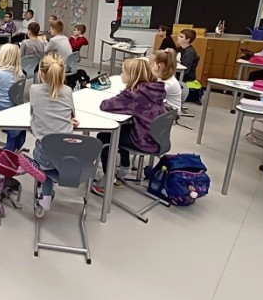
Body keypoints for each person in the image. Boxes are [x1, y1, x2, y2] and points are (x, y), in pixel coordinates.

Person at [92, 58, 166, 194]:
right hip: (156, 136)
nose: (121, 75)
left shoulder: (133, 95)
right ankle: (124, 167)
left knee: (105, 137)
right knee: (121, 129)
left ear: (132, 76)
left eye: (123, 72)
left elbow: (106, 105)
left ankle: (107, 180)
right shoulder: (154, 88)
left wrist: (124, 93)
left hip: (144, 140)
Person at [30, 54, 79, 217]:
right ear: (62, 73)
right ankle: (59, 178)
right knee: (53, 157)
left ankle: (45, 195)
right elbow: (71, 114)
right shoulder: (68, 91)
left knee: (42, 159)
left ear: (41, 73)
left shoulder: (34, 89)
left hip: (45, 152)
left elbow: (33, 114)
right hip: (68, 152)